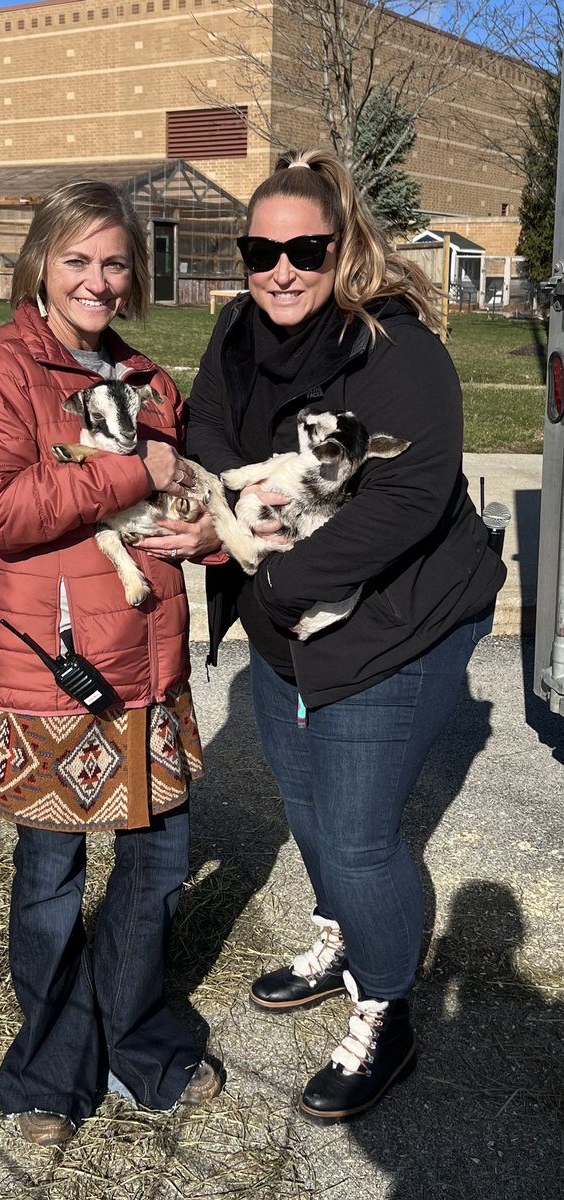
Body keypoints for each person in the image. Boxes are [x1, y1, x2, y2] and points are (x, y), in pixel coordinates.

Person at [186, 147, 506, 1123]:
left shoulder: (398, 352)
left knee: (361, 839)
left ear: (344, 249)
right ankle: (341, 938)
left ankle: (385, 1010)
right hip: (288, 613)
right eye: (261, 248)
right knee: (309, 806)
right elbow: (205, 428)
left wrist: (268, 567)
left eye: (305, 249)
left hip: (395, 621)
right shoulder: (239, 326)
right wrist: (236, 520)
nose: (280, 268)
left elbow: (404, 505)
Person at [0, 179, 223, 1146]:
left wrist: (209, 542)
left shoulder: (148, 377)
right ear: (42, 264)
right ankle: (51, 1072)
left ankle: (144, 1042)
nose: (98, 280)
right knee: (52, 879)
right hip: (54, 668)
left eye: (114, 262)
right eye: (78, 260)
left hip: (155, 663)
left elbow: (185, 501)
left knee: (158, 870)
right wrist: (132, 469)